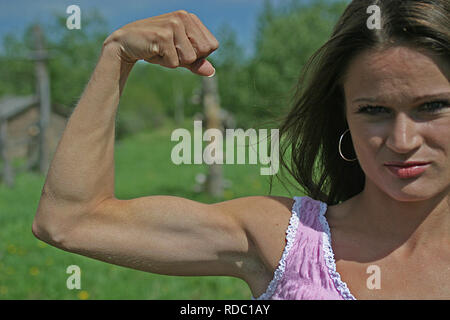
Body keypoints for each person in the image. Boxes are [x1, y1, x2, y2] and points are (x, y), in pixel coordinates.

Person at [32, 0, 449, 300]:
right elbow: (70, 220)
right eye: (373, 110)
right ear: (342, 115)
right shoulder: (285, 239)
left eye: (432, 106)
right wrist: (116, 56)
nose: (402, 141)